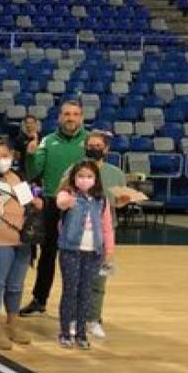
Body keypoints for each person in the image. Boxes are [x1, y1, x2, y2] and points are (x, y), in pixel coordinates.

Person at [21, 100, 89, 317]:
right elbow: (32, 173)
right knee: (47, 255)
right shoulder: (47, 141)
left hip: (81, 204)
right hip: (52, 203)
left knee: (80, 257)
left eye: (75, 114)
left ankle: (82, 305)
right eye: (67, 114)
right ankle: (39, 299)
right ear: (59, 117)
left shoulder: (89, 141)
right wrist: (30, 154)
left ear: (81, 117)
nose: (71, 118)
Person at [0, 139, 41, 351]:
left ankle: (12, 322)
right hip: (0, 239)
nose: (2, 160)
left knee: (16, 285)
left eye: (5, 156)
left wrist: (35, 203)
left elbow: (26, 200)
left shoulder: (18, 177)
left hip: (23, 239)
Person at [55, 160, 115, 351]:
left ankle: (81, 332)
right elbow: (61, 203)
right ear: (74, 178)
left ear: (96, 179)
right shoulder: (69, 194)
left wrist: (109, 251)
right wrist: (69, 196)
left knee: (86, 293)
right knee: (70, 291)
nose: (85, 180)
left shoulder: (101, 200)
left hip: (94, 253)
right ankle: (65, 332)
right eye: (81, 176)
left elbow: (107, 227)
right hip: (71, 251)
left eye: (89, 176)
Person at [78, 131, 127, 340]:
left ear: (106, 149)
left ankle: (94, 319)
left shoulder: (116, 173)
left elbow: (117, 202)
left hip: (105, 233)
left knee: (100, 281)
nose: (94, 148)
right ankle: (75, 319)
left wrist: (122, 202)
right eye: (91, 145)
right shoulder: (74, 170)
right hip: (79, 232)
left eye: (98, 145)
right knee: (77, 280)